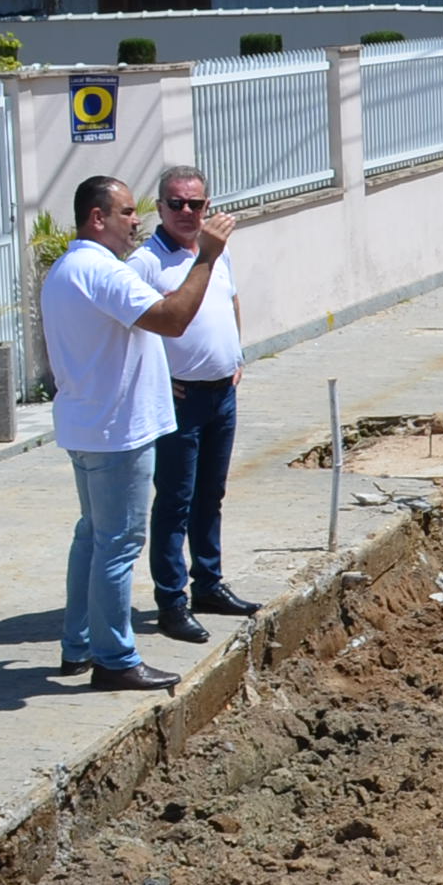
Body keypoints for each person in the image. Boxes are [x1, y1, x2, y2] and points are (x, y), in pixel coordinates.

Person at [39, 173, 236, 690]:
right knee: (119, 544)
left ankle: (77, 644)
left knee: (93, 537)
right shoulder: (104, 271)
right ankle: (114, 657)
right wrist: (207, 257)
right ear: (97, 218)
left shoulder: (67, 269)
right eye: (127, 212)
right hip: (117, 431)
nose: (137, 221)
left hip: (89, 426)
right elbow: (171, 318)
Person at [133, 165, 259, 647]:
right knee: (175, 501)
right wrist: (159, 377)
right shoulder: (146, 263)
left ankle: (209, 582)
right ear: (160, 208)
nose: (187, 213)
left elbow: (230, 301)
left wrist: (237, 354)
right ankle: (172, 600)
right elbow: (131, 326)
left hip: (220, 393)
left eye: (196, 204)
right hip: (179, 400)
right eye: (176, 204)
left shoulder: (215, 251)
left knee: (211, 495)